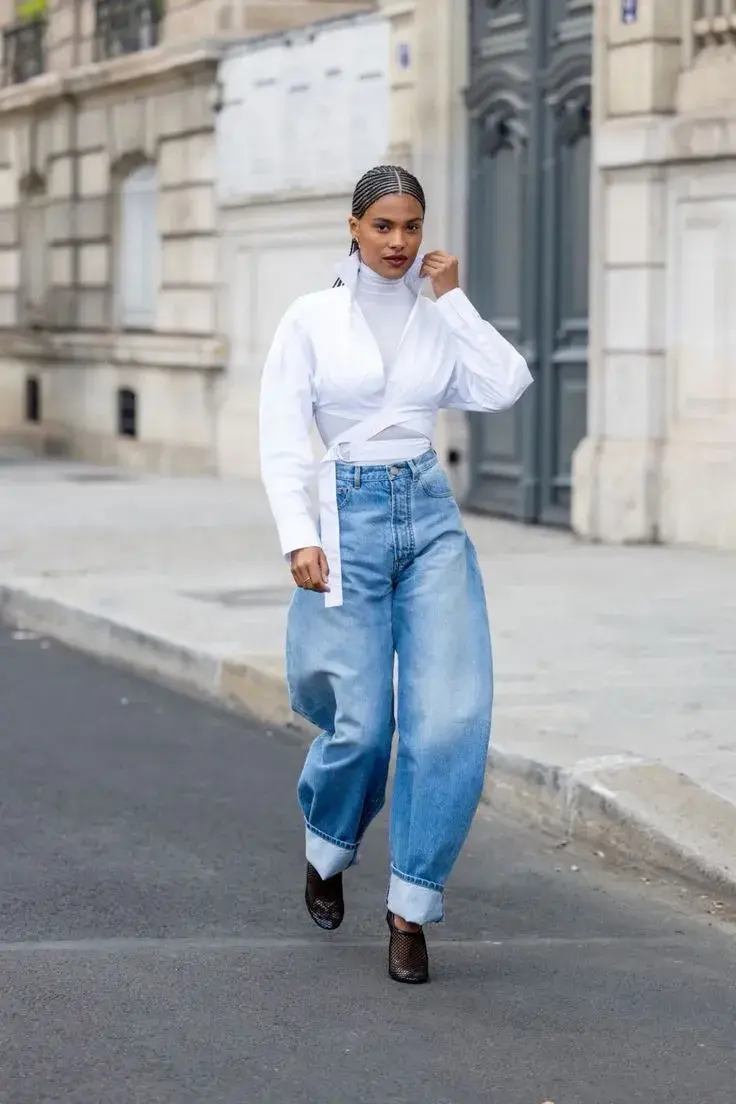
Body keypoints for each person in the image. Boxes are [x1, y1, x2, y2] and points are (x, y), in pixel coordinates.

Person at [259, 164, 531, 984]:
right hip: (345, 518)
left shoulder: (435, 315)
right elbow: (280, 435)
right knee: (363, 727)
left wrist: (454, 301)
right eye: (383, 226)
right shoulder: (310, 318)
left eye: (411, 226)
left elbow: (506, 383)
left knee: (449, 718)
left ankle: (410, 908)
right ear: (353, 226)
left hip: (429, 514)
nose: (399, 242)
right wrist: (296, 535)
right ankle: (328, 846)